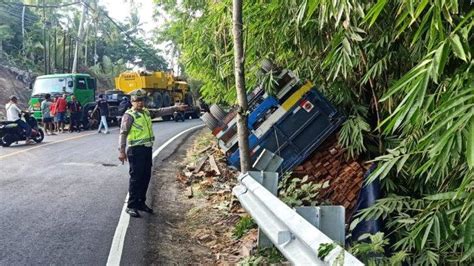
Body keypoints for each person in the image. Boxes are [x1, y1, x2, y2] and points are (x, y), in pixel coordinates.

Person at [118, 94, 155, 218]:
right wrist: (122, 151)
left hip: (147, 149)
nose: (140, 103)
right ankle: (131, 206)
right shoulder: (129, 115)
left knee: (146, 176)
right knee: (136, 178)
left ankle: (141, 203)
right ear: (132, 102)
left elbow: (160, 111)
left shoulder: (146, 113)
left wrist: (175, 108)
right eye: (137, 101)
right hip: (135, 150)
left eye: (141, 100)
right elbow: (123, 133)